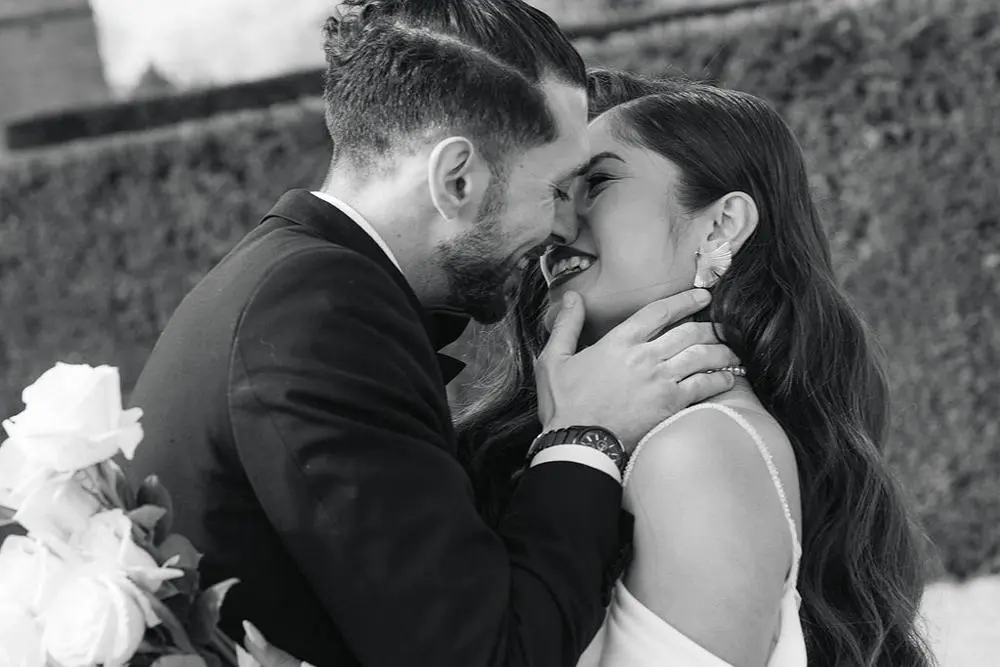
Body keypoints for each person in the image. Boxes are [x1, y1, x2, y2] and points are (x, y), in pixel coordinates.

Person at [124, 3, 739, 666]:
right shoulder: (317, 319)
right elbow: (487, 655)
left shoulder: (291, 284)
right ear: (457, 180)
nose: (565, 226)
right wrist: (585, 435)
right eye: (559, 188)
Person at [454, 72, 938, 666]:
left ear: (721, 225)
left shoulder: (697, 449)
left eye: (597, 183)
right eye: (556, 192)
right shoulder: (642, 438)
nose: (555, 223)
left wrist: (573, 441)